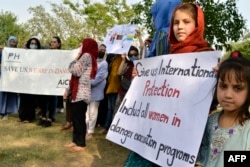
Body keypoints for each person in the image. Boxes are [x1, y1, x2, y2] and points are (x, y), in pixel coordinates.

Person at [127, 2, 214, 166]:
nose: (180, 27)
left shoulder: (206, 57)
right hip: (159, 130)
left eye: (186, 22)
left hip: (186, 135)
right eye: (176, 22)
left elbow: (212, 99)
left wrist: (218, 76)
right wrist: (141, 77)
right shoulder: (166, 56)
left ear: (197, 25)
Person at [195, 56, 250, 167]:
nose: (228, 95)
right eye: (223, 86)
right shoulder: (210, 121)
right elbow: (202, 155)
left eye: (237, 88)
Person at [64, 38, 98, 152]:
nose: (80, 46)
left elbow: (76, 71)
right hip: (77, 93)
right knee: (75, 118)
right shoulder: (88, 56)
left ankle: (81, 143)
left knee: (79, 119)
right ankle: (75, 141)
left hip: (81, 93)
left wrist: (75, 59)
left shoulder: (86, 55)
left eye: (82, 44)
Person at [37, 36, 61, 127]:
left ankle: (51, 117)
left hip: (54, 79)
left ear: (58, 44)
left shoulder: (62, 54)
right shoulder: (46, 53)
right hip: (45, 78)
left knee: (52, 98)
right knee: (43, 98)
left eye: (54, 42)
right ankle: (43, 116)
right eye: (51, 42)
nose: (52, 44)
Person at [86, 44, 108, 140]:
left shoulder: (104, 64)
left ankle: (90, 131)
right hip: (87, 91)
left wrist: (87, 82)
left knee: (93, 112)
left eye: (104, 50)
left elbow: (99, 78)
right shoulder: (92, 61)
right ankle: (86, 129)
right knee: (86, 112)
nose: (102, 51)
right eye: (100, 49)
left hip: (96, 90)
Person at [18, 37, 42, 122]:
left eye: (35, 43)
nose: (33, 45)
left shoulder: (40, 54)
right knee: (23, 98)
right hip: (24, 78)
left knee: (30, 99)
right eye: (32, 43)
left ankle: (29, 117)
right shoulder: (25, 53)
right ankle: (21, 116)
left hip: (34, 79)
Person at [98, 53, 123, 134]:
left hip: (116, 87)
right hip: (111, 86)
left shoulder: (120, 58)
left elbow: (116, 74)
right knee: (110, 108)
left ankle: (110, 127)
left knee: (113, 108)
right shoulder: (114, 58)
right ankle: (108, 127)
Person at [113, 46, 139, 117]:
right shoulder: (127, 64)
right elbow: (119, 73)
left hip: (133, 94)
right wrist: (123, 60)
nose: (133, 56)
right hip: (123, 92)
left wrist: (139, 36)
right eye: (131, 55)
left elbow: (142, 47)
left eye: (135, 54)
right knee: (117, 111)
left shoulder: (140, 64)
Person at [0, 36, 20, 120]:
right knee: (2, 94)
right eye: (11, 41)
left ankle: (7, 112)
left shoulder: (19, 52)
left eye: (14, 41)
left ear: (16, 43)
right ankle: (1, 112)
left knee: (11, 95)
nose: (12, 43)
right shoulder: (4, 51)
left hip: (14, 77)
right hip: (4, 76)